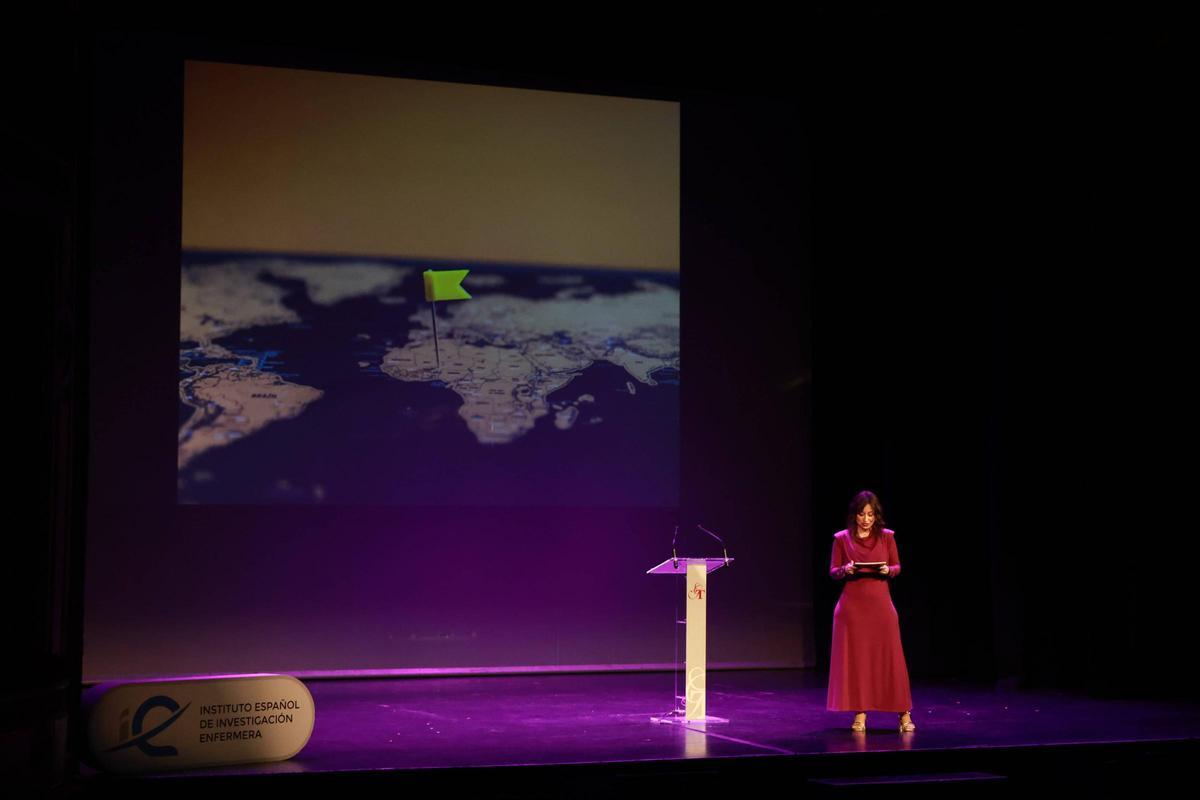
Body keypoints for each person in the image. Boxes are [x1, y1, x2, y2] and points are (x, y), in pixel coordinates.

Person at [827, 490, 915, 732]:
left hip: (881, 608)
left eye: (871, 514)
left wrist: (890, 570)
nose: (866, 519)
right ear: (854, 515)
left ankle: (903, 714)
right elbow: (833, 571)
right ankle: (860, 713)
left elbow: (897, 566)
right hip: (852, 610)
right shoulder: (842, 539)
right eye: (861, 514)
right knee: (859, 663)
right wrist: (845, 569)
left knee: (891, 659)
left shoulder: (887, 537)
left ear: (876, 516)